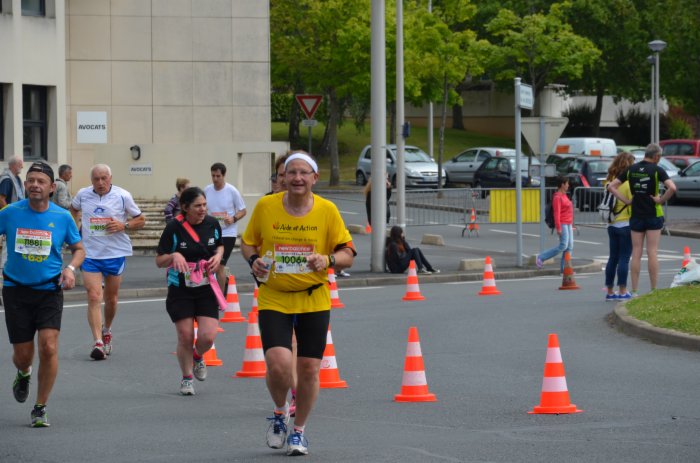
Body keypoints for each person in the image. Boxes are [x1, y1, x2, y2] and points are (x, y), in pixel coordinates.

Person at [241, 151, 356, 456]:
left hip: (313, 298)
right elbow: (248, 242)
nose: (297, 178)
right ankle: (280, 412)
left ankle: (299, 432)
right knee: (279, 364)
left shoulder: (327, 210)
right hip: (274, 296)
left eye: (304, 173)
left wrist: (328, 259)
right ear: (283, 177)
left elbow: (348, 253)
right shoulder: (266, 206)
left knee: (308, 370)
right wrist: (254, 260)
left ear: (314, 178)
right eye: (291, 172)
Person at [1, 162, 85, 427]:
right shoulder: (10, 213)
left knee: (48, 347)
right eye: (31, 180)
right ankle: (24, 372)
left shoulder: (62, 217)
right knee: (22, 356)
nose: (35, 185)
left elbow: (79, 248)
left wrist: (70, 269)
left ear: (51, 188)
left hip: (49, 290)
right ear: (25, 185)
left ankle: (40, 407)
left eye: (40, 181)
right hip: (15, 290)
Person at [70, 164, 145, 360]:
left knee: (111, 299)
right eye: (96, 179)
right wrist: (74, 230)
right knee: (94, 296)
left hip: (114, 253)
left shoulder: (123, 195)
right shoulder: (83, 194)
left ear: (110, 178)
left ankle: (107, 330)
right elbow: (73, 210)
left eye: (104, 178)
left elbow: (140, 220)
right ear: (91, 180)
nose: (100, 182)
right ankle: (97, 342)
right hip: (90, 254)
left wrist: (123, 225)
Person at [155, 187, 224, 396]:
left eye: (204, 205)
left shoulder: (212, 223)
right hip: (180, 288)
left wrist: (218, 256)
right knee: (185, 335)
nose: (203, 209)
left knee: (208, 336)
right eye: (197, 206)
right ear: (185, 208)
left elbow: (219, 245)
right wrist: (173, 256)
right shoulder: (173, 228)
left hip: (206, 287)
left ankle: (197, 356)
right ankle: (186, 378)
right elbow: (159, 260)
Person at [608, 143, 676, 296]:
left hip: (636, 215)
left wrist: (627, 201)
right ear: (656, 156)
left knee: (636, 252)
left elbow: (611, 187)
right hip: (653, 215)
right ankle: (653, 290)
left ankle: (635, 291)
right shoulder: (657, 170)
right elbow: (672, 188)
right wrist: (660, 200)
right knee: (652, 252)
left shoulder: (631, 169)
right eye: (660, 157)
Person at [204, 162, 247, 293]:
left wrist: (233, 218)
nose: (215, 179)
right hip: (212, 233)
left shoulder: (232, 191)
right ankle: (214, 291)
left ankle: (220, 298)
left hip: (228, 233)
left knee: (220, 265)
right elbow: (203, 208)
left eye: (218, 176)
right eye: (213, 176)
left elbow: (243, 210)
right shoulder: (207, 190)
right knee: (209, 264)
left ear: (224, 175)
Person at [603, 152, 634, 301]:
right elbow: (632, 202)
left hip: (611, 223)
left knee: (613, 258)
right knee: (624, 258)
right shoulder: (628, 183)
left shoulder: (609, 181)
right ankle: (622, 291)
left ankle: (610, 291)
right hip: (625, 223)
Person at [536, 175, 574, 273]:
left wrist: (571, 225)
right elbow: (556, 213)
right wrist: (559, 228)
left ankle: (565, 269)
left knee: (569, 247)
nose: (568, 185)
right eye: (567, 183)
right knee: (563, 246)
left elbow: (568, 211)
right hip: (562, 223)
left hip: (568, 223)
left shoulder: (565, 195)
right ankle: (541, 257)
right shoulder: (557, 197)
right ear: (562, 185)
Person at [0, 156, 25, 271]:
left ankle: (10, 266)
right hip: (10, 216)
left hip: (17, 215)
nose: (22, 167)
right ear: (14, 165)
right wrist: (10, 214)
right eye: (20, 164)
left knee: (14, 240)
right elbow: (1, 199)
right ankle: (3, 268)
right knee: (8, 241)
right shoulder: (7, 179)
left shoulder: (16, 179)